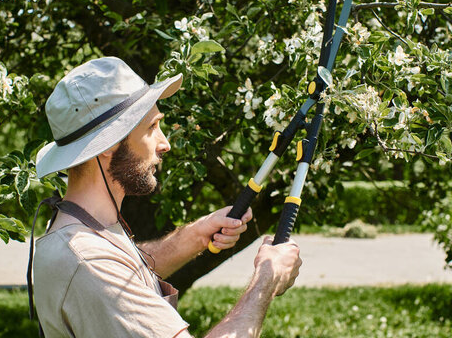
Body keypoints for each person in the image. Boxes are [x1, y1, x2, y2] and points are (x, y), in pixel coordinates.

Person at [30, 57, 302, 338]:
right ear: (109, 144)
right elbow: (106, 271)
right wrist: (266, 280)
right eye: (152, 127)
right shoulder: (88, 262)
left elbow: (125, 269)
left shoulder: (84, 231)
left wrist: (194, 236)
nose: (165, 144)